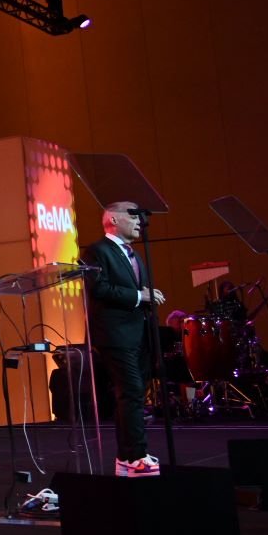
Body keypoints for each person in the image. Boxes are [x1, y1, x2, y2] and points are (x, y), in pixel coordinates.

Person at [82, 201, 164, 476]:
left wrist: (147, 294)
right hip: (114, 334)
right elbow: (99, 288)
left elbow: (137, 289)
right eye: (133, 216)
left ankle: (127, 457)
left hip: (138, 333)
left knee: (134, 394)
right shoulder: (97, 251)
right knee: (130, 391)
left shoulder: (134, 254)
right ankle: (135, 456)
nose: (140, 221)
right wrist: (139, 296)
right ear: (114, 220)